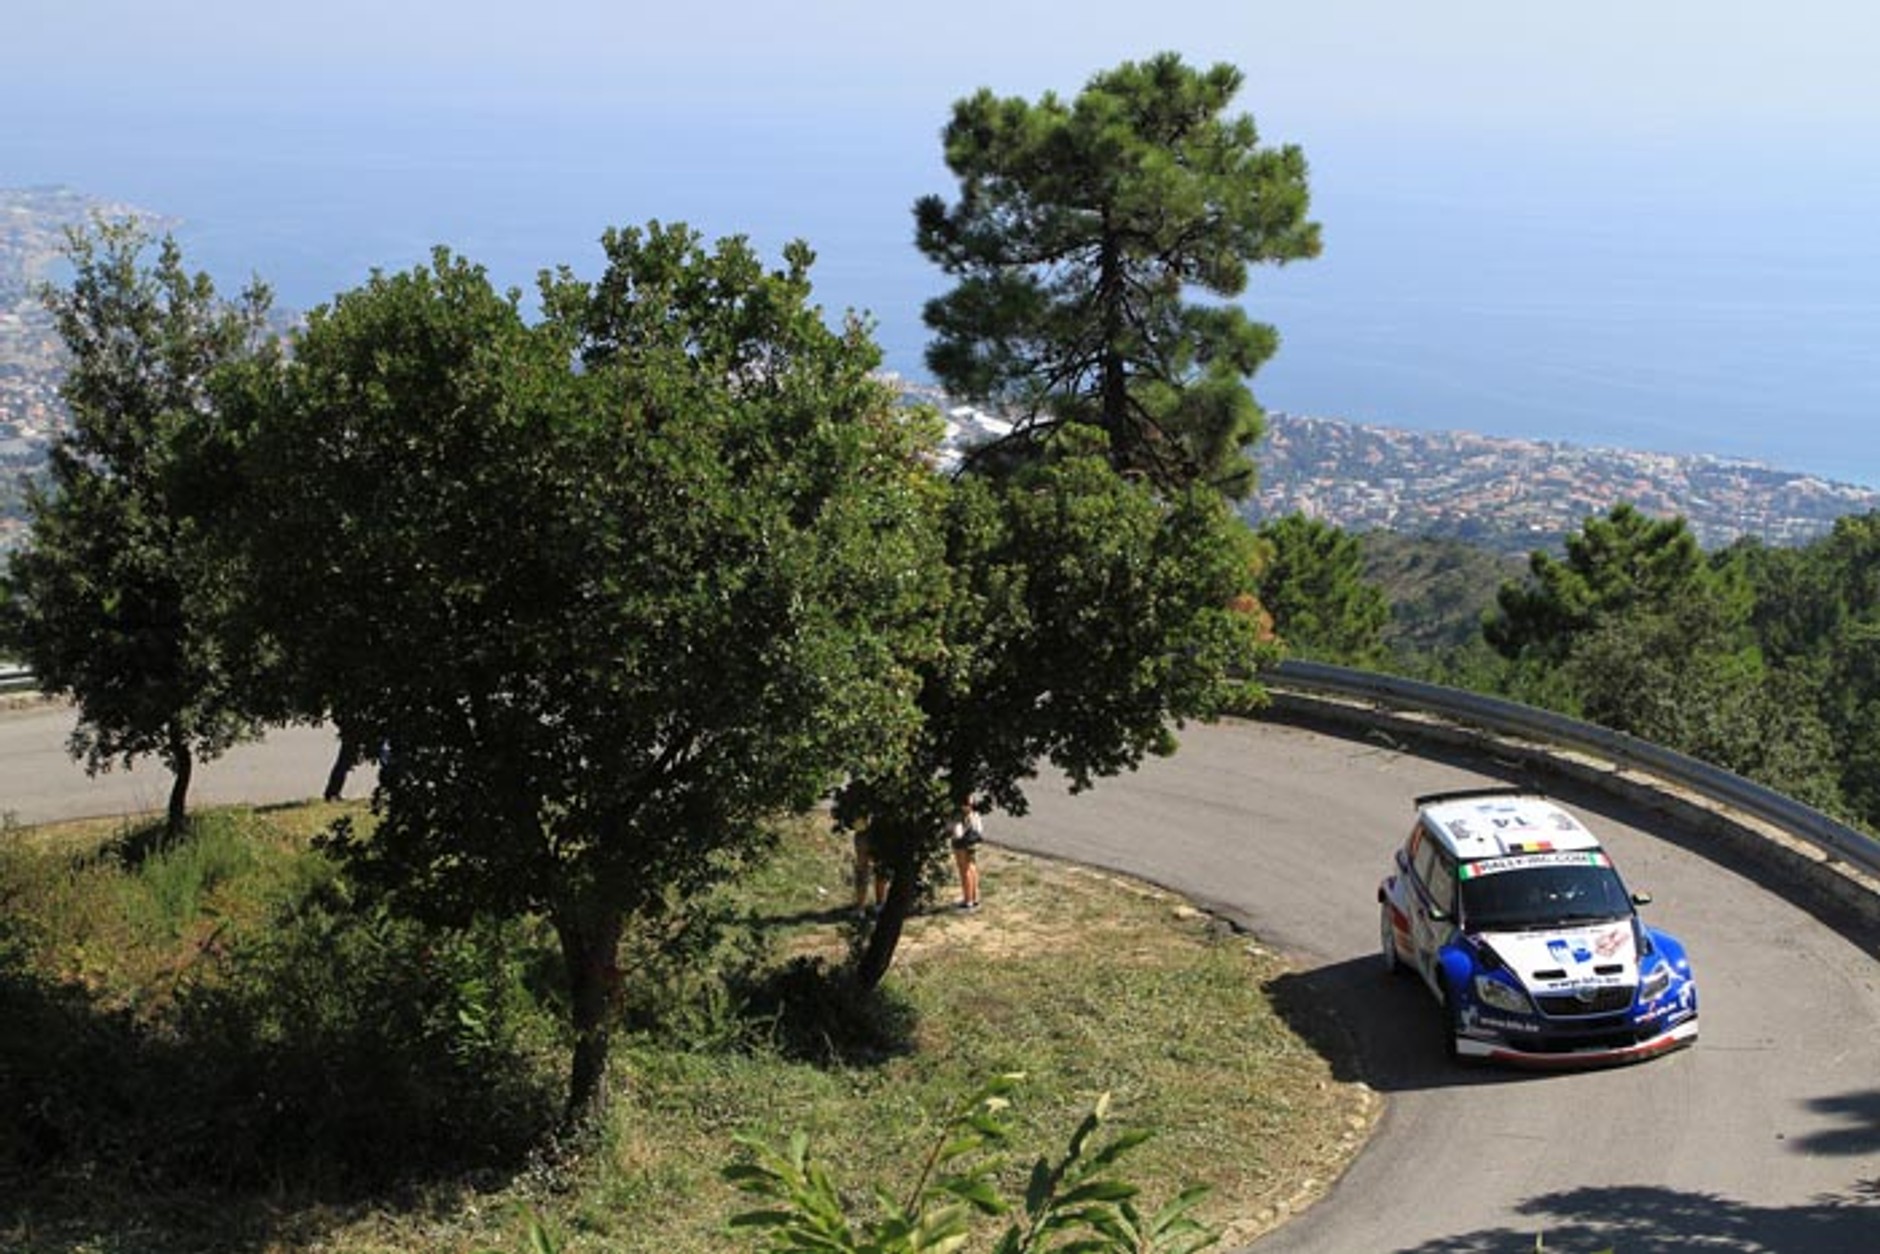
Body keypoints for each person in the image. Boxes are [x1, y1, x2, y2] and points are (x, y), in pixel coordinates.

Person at [948, 796, 983, 911]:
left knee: (964, 868)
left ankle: (968, 900)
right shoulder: (973, 801)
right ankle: (974, 897)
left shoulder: (960, 808)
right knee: (972, 865)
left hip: (963, 837)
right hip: (972, 836)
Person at [851, 819, 890, 917]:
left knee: (868, 868)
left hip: (869, 830)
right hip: (875, 829)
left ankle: (864, 907)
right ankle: (875, 905)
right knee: (877, 868)